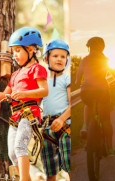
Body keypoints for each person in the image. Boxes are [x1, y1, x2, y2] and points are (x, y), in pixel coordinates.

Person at [0, 27, 48, 181]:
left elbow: (44, 90)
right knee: (12, 153)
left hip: (30, 113)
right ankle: (26, 178)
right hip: (16, 116)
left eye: (18, 50)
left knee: (20, 146)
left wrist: (24, 94)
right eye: (13, 51)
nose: (15, 55)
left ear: (31, 50)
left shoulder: (37, 69)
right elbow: (4, 95)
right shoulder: (15, 74)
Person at [75, 37, 115, 156]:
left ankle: (85, 126)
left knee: (88, 105)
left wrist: (79, 83)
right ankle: (110, 148)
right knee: (106, 120)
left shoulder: (84, 60)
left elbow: (77, 80)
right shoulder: (105, 60)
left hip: (86, 91)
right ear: (102, 47)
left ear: (89, 47)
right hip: (102, 91)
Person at [40, 39, 71, 180]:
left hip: (65, 126)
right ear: (46, 58)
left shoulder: (66, 79)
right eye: (55, 56)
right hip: (46, 129)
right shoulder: (42, 82)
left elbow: (72, 104)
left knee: (70, 167)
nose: (60, 59)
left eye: (63, 56)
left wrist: (62, 119)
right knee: (50, 173)